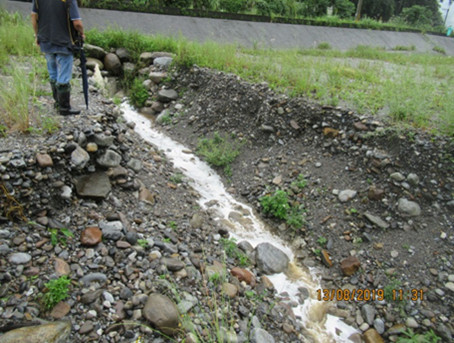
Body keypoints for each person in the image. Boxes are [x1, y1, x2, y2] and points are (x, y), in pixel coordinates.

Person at [31, 0, 85, 115]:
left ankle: (57, 103)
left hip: (45, 39)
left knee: (53, 73)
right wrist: (82, 33)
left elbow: (33, 16)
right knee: (63, 75)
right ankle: (64, 108)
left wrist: (37, 35)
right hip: (63, 42)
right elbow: (77, 23)